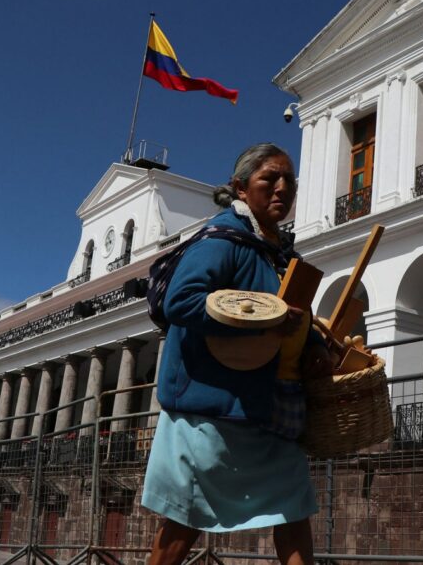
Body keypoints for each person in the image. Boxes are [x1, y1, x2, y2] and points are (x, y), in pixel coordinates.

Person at [142, 143, 334, 565]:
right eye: (270, 179)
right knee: (186, 519)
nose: (283, 188)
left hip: (271, 407)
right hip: (213, 411)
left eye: (290, 181)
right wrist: (266, 321)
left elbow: (296, 316)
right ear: (240, 188)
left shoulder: (284, 255)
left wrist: (315, 346)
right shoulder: (221, 241)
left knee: (294, 508)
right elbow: (182, 302)